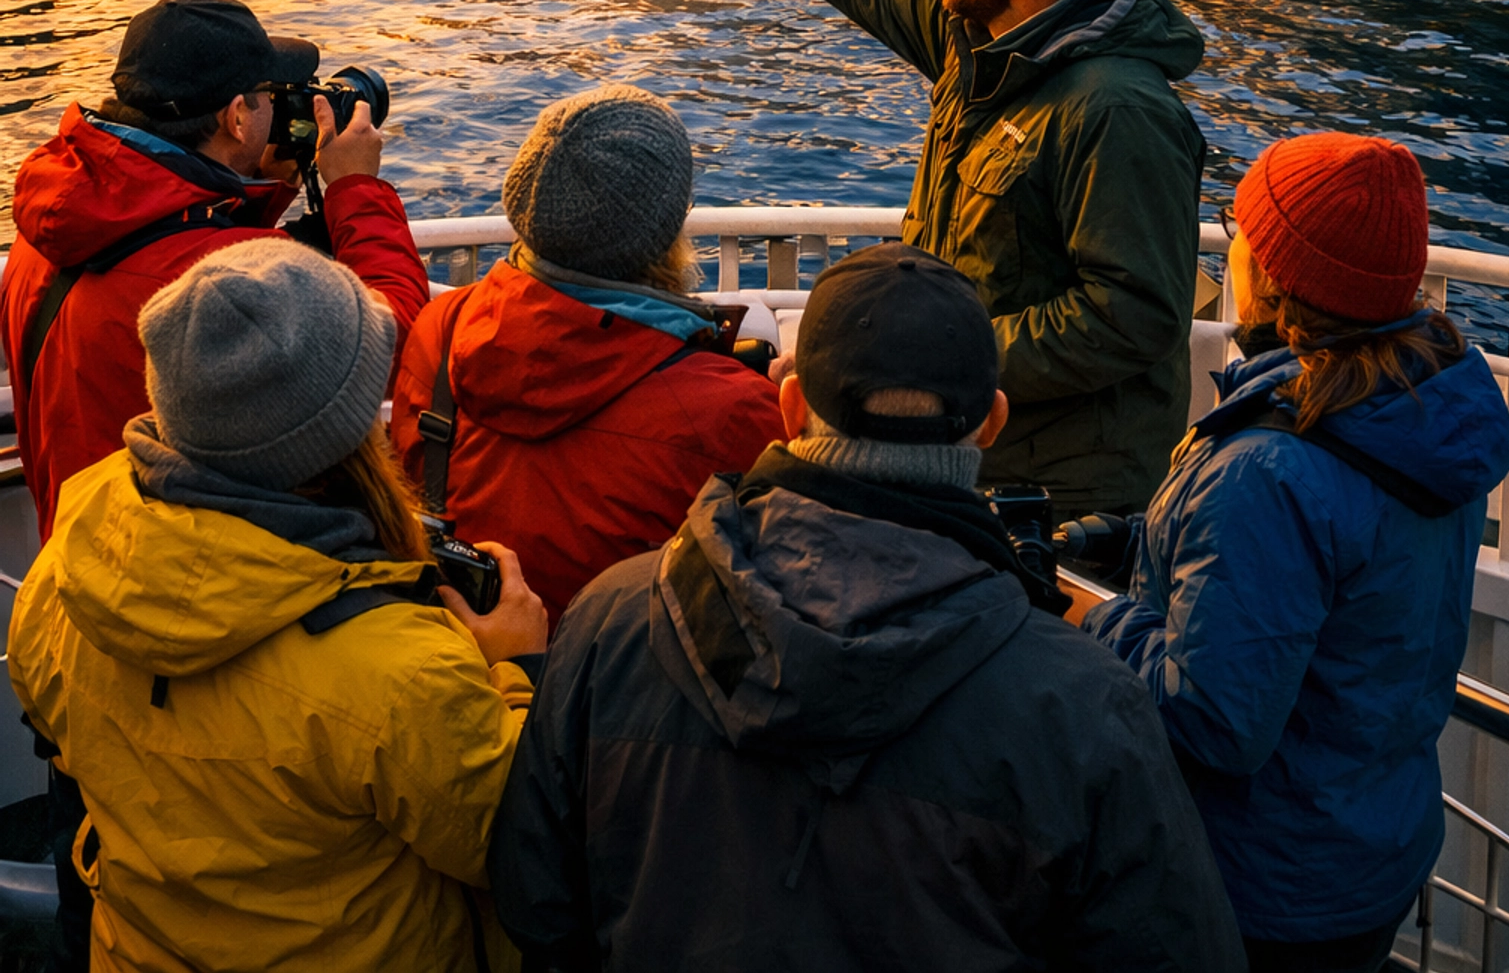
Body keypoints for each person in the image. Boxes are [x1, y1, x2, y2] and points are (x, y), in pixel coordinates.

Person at [489, 242, 1246, 973]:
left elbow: (537, 907)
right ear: (991, 424)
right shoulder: (1084, 702)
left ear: (790, 408)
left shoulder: (611, 620)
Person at [8, 241, 546, 973]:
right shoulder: (396, 668)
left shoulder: (83, 540)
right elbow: (519, 846)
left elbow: (51, 720)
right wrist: (519, 669)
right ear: (346, 430)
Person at [1082, 133, 1509, 973]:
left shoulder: (1270, 470)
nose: (1231, 244)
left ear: (1277, 278)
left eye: (1238, 227)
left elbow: (1212, 721)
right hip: (1367, 850)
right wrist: (1143, 542)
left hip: (1253, 887)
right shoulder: (1420, 411)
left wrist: (1097, 615)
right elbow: (1349, 580)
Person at [685, 0, 1205, 515]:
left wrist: (937, 359)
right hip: (967, 454)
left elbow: (1132, 315)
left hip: (1060, 492)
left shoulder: (1119, 112)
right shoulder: (984, 41)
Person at [2, 0, 428, 539]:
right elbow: (383, 349)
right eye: (270, 95)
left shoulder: (52, 229)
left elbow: (175, 238)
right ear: (235, 117)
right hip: (189, 582)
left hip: (85, 555)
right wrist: (355, 190)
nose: (283, 106)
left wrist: (261, 186)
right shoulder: (207, 271)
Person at [391, 84, 783, 627]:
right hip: (616, 694)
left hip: (455, 654)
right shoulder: (735, 413)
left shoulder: (441, 326)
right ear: (669, 228)